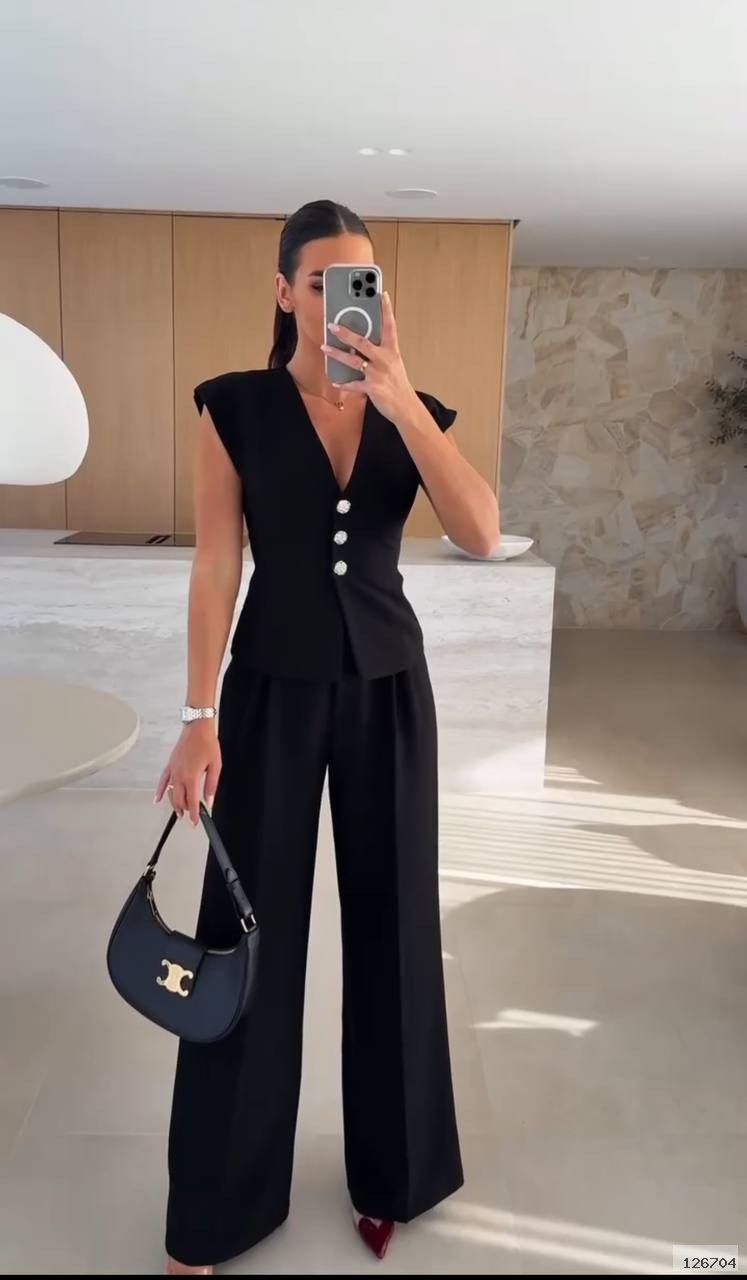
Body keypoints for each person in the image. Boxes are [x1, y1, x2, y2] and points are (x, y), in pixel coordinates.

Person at [154, 199, 500, 1274]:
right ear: (284, 292)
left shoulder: (412, 407)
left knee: (396, 929)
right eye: (323, 281)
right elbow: (217, 560)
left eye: (364, 281)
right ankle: (219, 1202)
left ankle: (396, 1174)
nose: (348, 298)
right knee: (246, 937)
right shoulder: (236, 406)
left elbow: (482, 532)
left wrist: (403, 402)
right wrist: (197, 715)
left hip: (389, 691)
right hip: (268, 693)